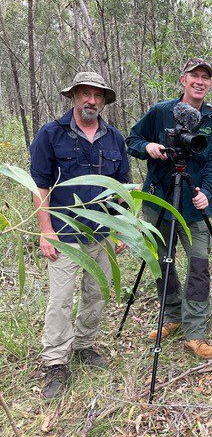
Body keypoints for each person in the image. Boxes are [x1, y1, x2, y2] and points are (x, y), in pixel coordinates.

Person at [30, 71, 130, 399]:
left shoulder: (115, 138)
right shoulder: (50, 135)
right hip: (65, 234)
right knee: (60, 300)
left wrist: (119, 230)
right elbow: (40, 186)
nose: (91, 100)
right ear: (73, 97)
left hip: (101, 233)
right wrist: (47, 232)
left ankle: (84, 345)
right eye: (85, 94)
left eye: (97, 95)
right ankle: (56, 361)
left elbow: (120, 191)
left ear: (104, 101)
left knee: (96, 294)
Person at [126, 58, 212, 359]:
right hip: (160, 197)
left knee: (199, 265)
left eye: (205, 77)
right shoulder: (160, 111)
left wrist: (208, 193)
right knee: (161, 261)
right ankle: (170, 316)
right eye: (194, 76)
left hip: (194, 202)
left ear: (209, 83)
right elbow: (132, 138)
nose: (200, 81)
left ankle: (195, 332)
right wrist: (148, 148)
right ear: (183, 80)